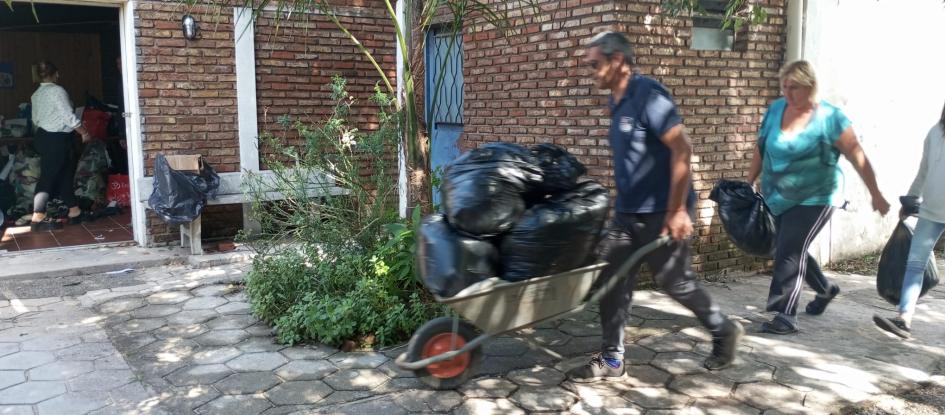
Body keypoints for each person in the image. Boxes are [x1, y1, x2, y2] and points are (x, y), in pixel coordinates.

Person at [566, 31, 744, 382]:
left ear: (617, 61)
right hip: (628, 212)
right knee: (612, 274)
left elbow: (682, 149)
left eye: (595, 64)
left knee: (674, 282)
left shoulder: (649, 95)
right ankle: (613, 359)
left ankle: (723, 330)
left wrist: (678, 210)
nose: (591, 70)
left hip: (663, 211)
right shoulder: (616, 101)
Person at [746, 60, 890, 334]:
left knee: (788, 249)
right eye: (784, 86)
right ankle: (825, 289)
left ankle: (785, 316)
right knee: (786, 246)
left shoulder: (830, 118)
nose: (787, 93)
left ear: (810, 86)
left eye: (795, 88)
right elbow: (761, 147)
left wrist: (876, 194)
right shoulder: (776, 110)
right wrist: (749, 180)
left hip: (817, 196)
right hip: (779, 196)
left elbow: (857, 156)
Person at [873, 102, 945, 339]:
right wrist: (911, 200)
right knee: (914, 265)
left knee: (915, 265)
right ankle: (904, 319)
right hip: (931, 211)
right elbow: (923, 171)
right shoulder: (935, 132)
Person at [29, 61, 92, 231]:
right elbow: (68, 116)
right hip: (56, 139)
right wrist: (83, 132)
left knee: (64, 173)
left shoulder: (36, 94)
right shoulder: (57, 91)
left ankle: (74, 211)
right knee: (48, 177)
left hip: (44, 136)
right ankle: (38, 217)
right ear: (56, 73)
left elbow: (35, 119)